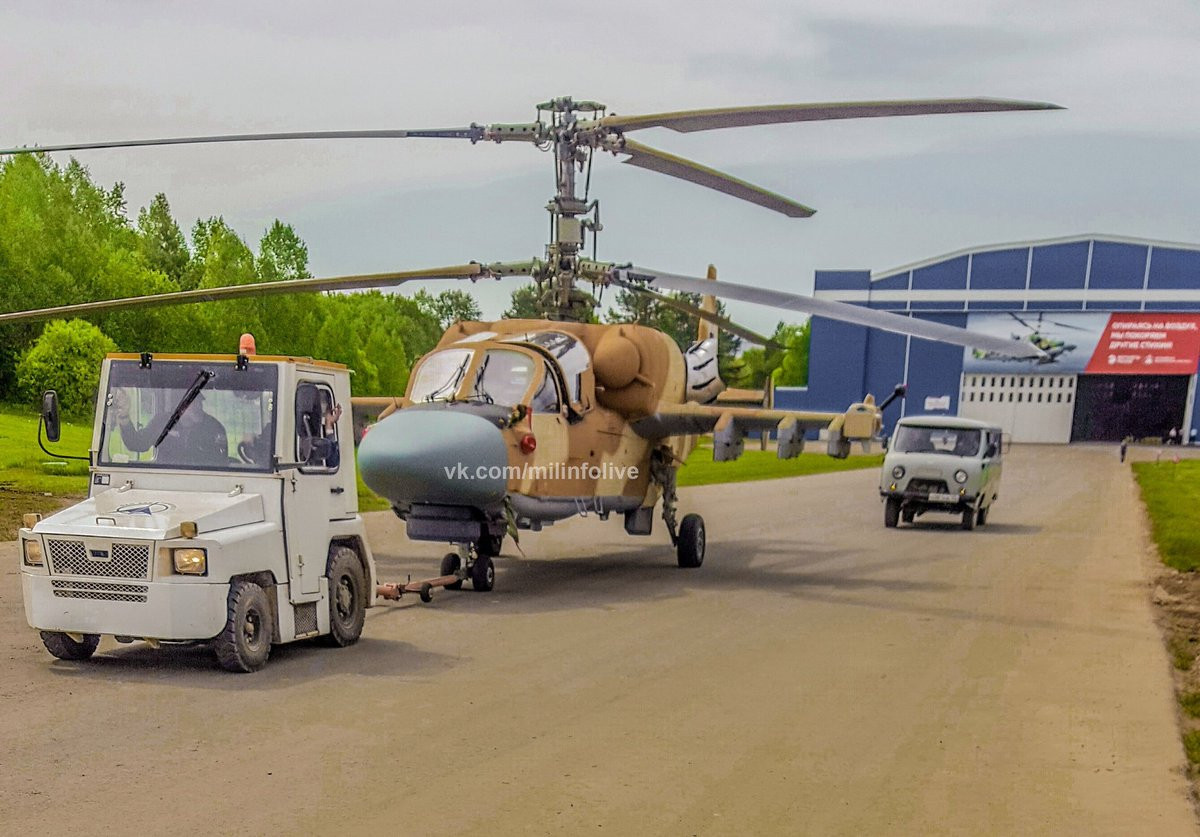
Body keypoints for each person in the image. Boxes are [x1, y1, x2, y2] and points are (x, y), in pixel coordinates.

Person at [114, 388, 230, 466]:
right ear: (180, 407)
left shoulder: (214, 427)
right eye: (192, 403)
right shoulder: (163, 422)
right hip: (165, 480)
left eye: (199, 402)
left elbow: (221, 463)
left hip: (202, 483)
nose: (198, 407)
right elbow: (137, 443)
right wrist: (124, 417)